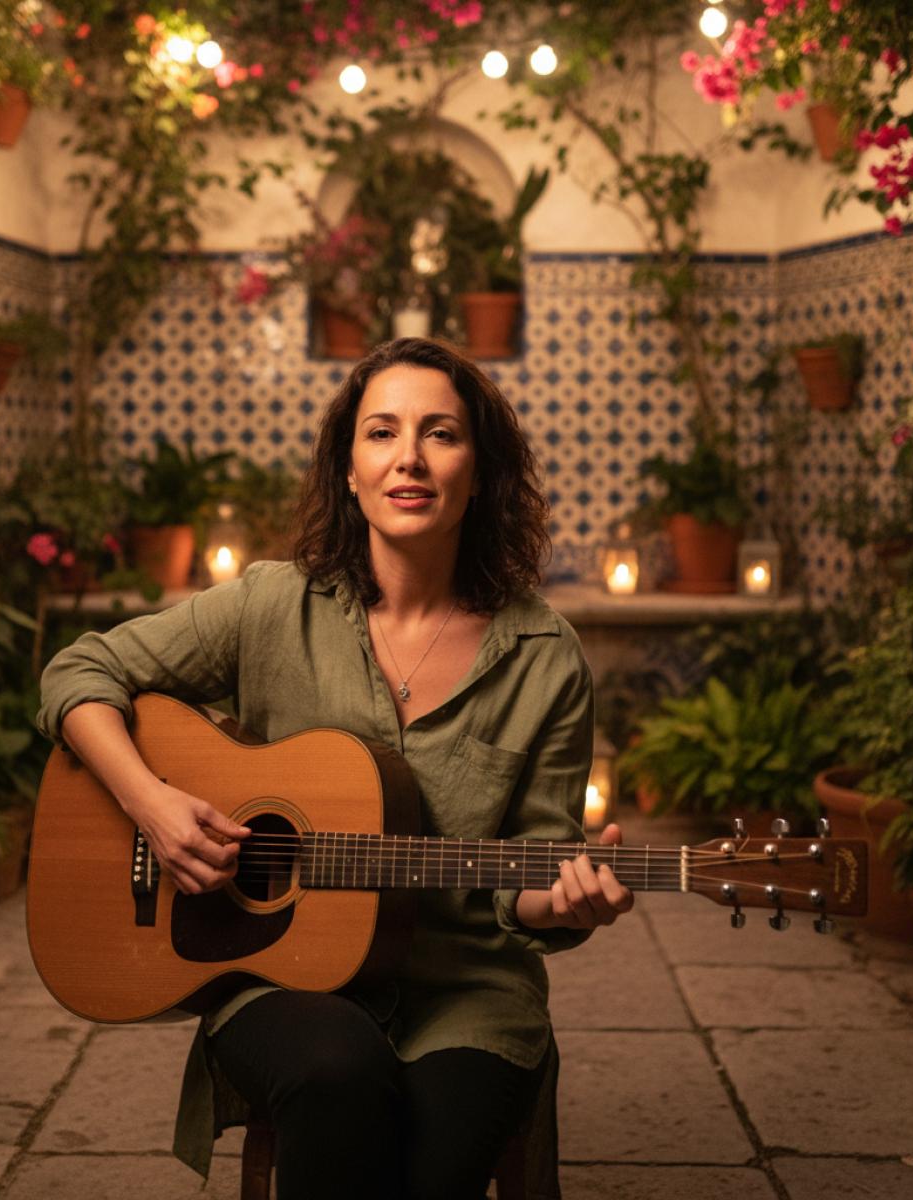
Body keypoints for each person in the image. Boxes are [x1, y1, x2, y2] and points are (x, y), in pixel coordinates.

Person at [36, 336, 634, 1199]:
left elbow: (528, 876)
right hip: (277, 974)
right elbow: (78, 672)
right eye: (382, 433)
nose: (411, 459)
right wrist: (153, 804)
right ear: (349, 470)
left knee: (428, 1161)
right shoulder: (271, 604)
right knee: (335, 1075)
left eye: (442, 434)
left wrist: (572, 902)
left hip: (465, 988)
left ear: (481, 470)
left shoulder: (544, 657)